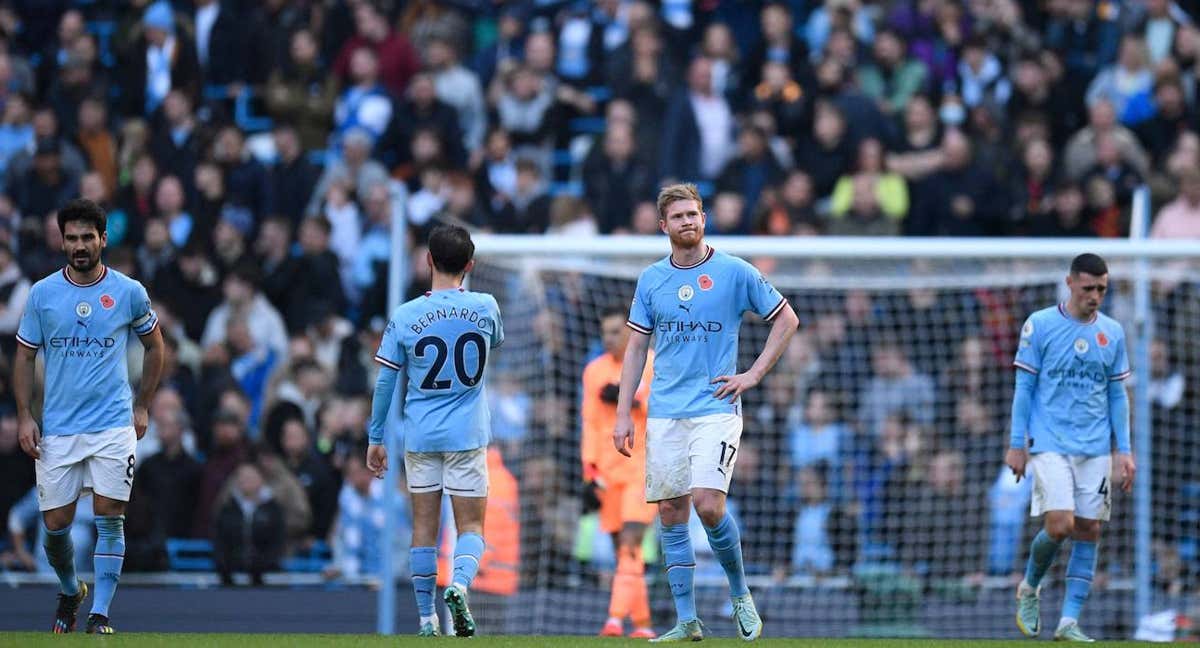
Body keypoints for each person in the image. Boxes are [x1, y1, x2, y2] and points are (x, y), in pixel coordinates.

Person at [616, 183, 799, 642]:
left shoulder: (734, 271)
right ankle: (686, 621)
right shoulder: (651, 279)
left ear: (704, 218)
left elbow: (786, 318)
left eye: (694, 214)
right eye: (678, 217)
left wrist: (753, 375)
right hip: (664, 412)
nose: (688, 223)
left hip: (715, 407)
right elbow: (637, 347)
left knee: (708, 504)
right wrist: (624, 413)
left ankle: (740, 593)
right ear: (664, 226)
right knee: (672, 513)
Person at [14, 198, 165, 634]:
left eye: (87, 238)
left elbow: (156, 346)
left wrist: (142, 404)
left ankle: (100, 614)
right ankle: (69, 589)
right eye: (72, 238)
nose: (80, 245)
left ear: (103, 239)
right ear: (62, 241)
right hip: (59, 426)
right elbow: (24, 358)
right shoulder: (42, 294)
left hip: (113, 423)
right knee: (54, 527)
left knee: (109, 515)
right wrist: (25, 416)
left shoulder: (128, 291)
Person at [366, 224, 503, 637]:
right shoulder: (486, 306)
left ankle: (427, 620)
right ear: (470, 265)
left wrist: (376, 438)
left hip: (421, 436)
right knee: (472, 529)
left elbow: (386, 382)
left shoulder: (406, 315)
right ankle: (458, 586)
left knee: (423, 530)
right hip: (467, 435)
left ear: (428, 260)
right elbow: (493, 343)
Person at [1007, 253, 1136, 642]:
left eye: (1101, 289)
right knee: (1060, 524)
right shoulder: (1040, 325)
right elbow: (1024, 388)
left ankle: (1068, 622)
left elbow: (1117, 394)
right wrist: (1017, 444)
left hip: (1095, 448)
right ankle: (1030, 587)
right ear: (1069, 283)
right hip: (1049, 444)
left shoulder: (1112, 332)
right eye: (1088, 288)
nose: (1095, 296)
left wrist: (1124, 449)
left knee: (1089, 528)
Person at [581, 306, 656, 639]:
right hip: (608, 473)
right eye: (605, 332)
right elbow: (591, 424)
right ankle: (642, 624)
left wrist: (635, 404)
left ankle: (613, 620)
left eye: (615, 331)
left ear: (631, 332)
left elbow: (666, 412)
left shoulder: (652, 364)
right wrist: (588, 472)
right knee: (624, 552)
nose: (608, 338)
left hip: (643, 466)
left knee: (630, 542)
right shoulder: (594, 371)